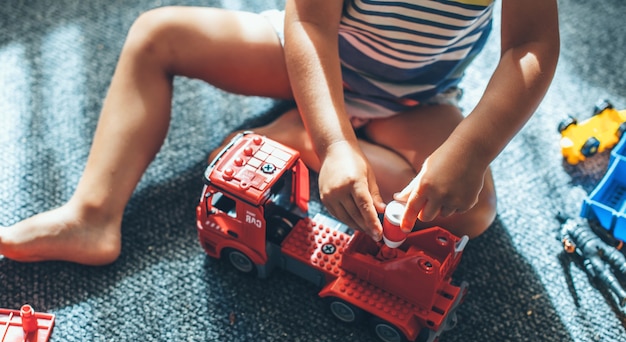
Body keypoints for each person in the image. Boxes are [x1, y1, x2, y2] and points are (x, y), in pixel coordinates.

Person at [0, 0, 560, 265]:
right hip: (310, 59)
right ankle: (94, 215)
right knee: (158, 34)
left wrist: (471, 149)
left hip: (413, 99)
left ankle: (297, 136)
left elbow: (530, 44)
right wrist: (338, 142)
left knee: (476, 207)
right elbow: (310, 23)